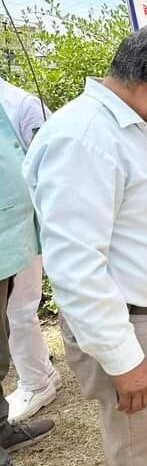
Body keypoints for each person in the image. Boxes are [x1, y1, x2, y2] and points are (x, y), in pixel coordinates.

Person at [22, 25, 147, 466]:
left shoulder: (136, 128)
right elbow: (76, 264)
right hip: (136, 330)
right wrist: (125, 360)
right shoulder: (86, 137)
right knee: (139, 455)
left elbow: (134, 222)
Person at [0, 78, 61, 423]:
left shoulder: (22, 104)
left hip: (22, 225)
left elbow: (50, 165)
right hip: (10, 226)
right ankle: (41, 371)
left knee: (18, 309)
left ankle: (36, 382)